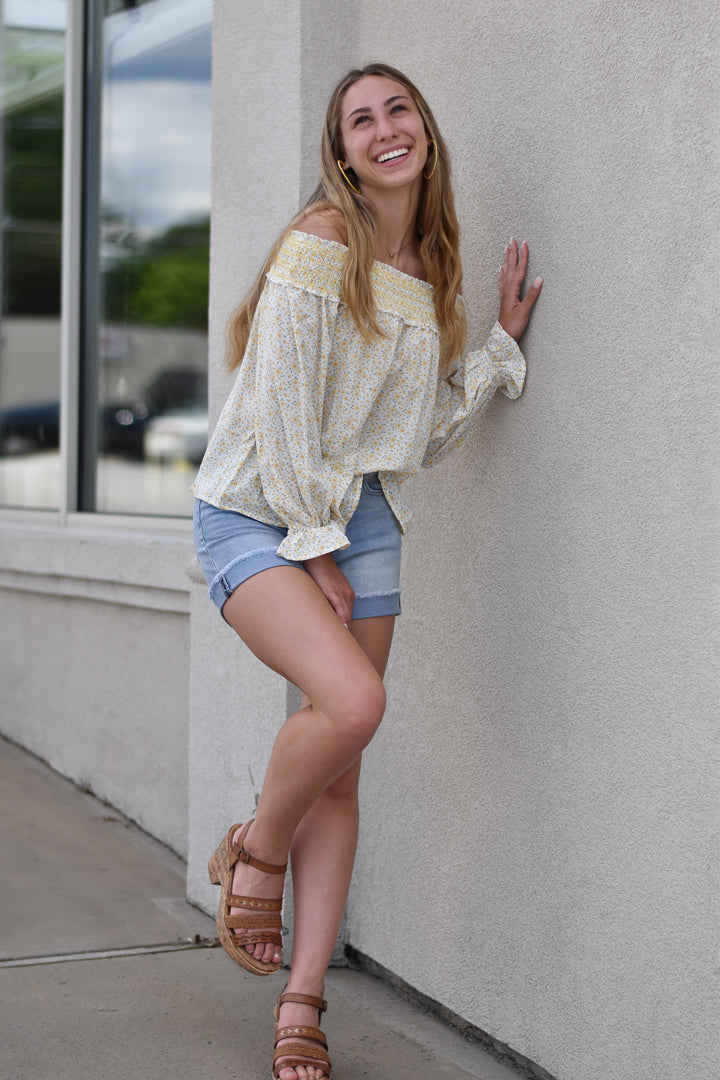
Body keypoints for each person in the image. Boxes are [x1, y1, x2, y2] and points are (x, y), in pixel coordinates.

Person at [192, 61, 542, 1080]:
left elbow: (416, 434)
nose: (386, 128)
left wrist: (498, 352)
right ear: (340, 152)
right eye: (362, 119)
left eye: (400, 110)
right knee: (349, 703)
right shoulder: (321, 241)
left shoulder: (431, 268)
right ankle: (256, 852)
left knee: (342, 770)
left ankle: (301, 1006)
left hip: (363, 517)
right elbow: (283, 409)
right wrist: (315, 541)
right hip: (259, 510)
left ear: (424, 131)